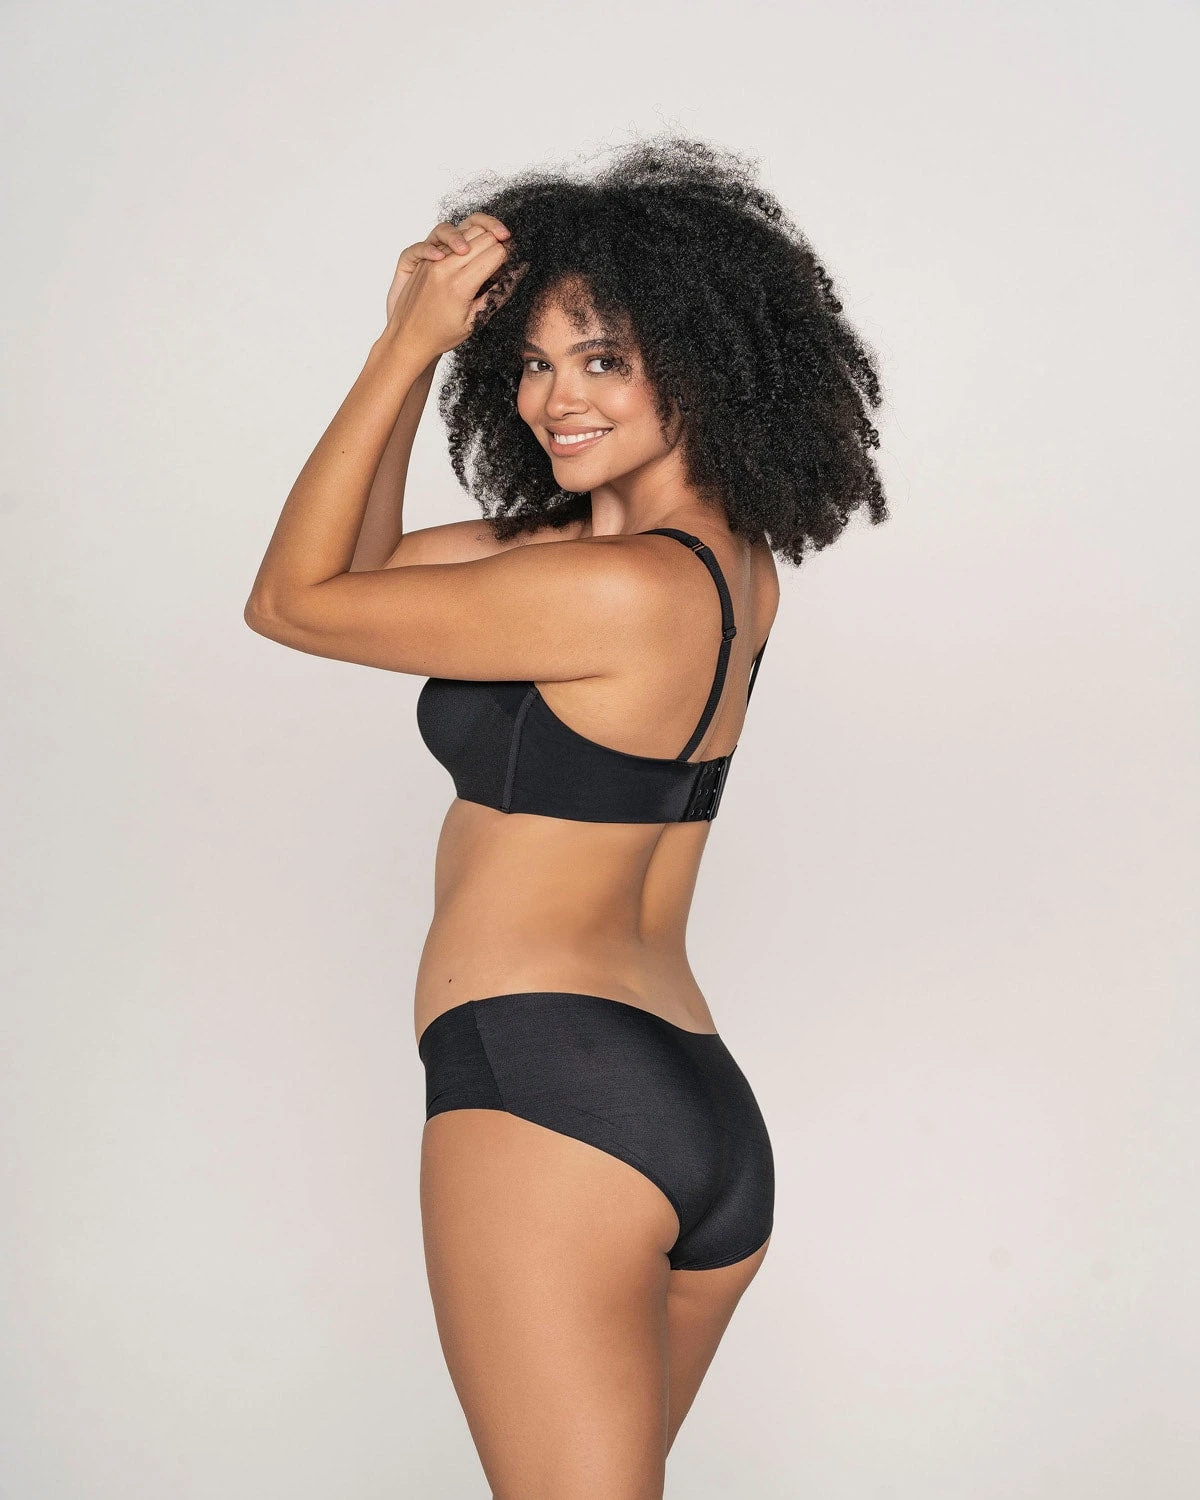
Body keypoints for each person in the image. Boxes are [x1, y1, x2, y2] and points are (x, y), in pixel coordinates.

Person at [245, 135, 887, 1498]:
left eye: (604, 359)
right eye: (532, 362)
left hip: (552, 1098)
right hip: (687, 1104)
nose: (556, 398)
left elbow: (292, 600)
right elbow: (360, 562)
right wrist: (423, 347)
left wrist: (400, 350)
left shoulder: (614, 592)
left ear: (702, 363)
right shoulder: (710, 567)